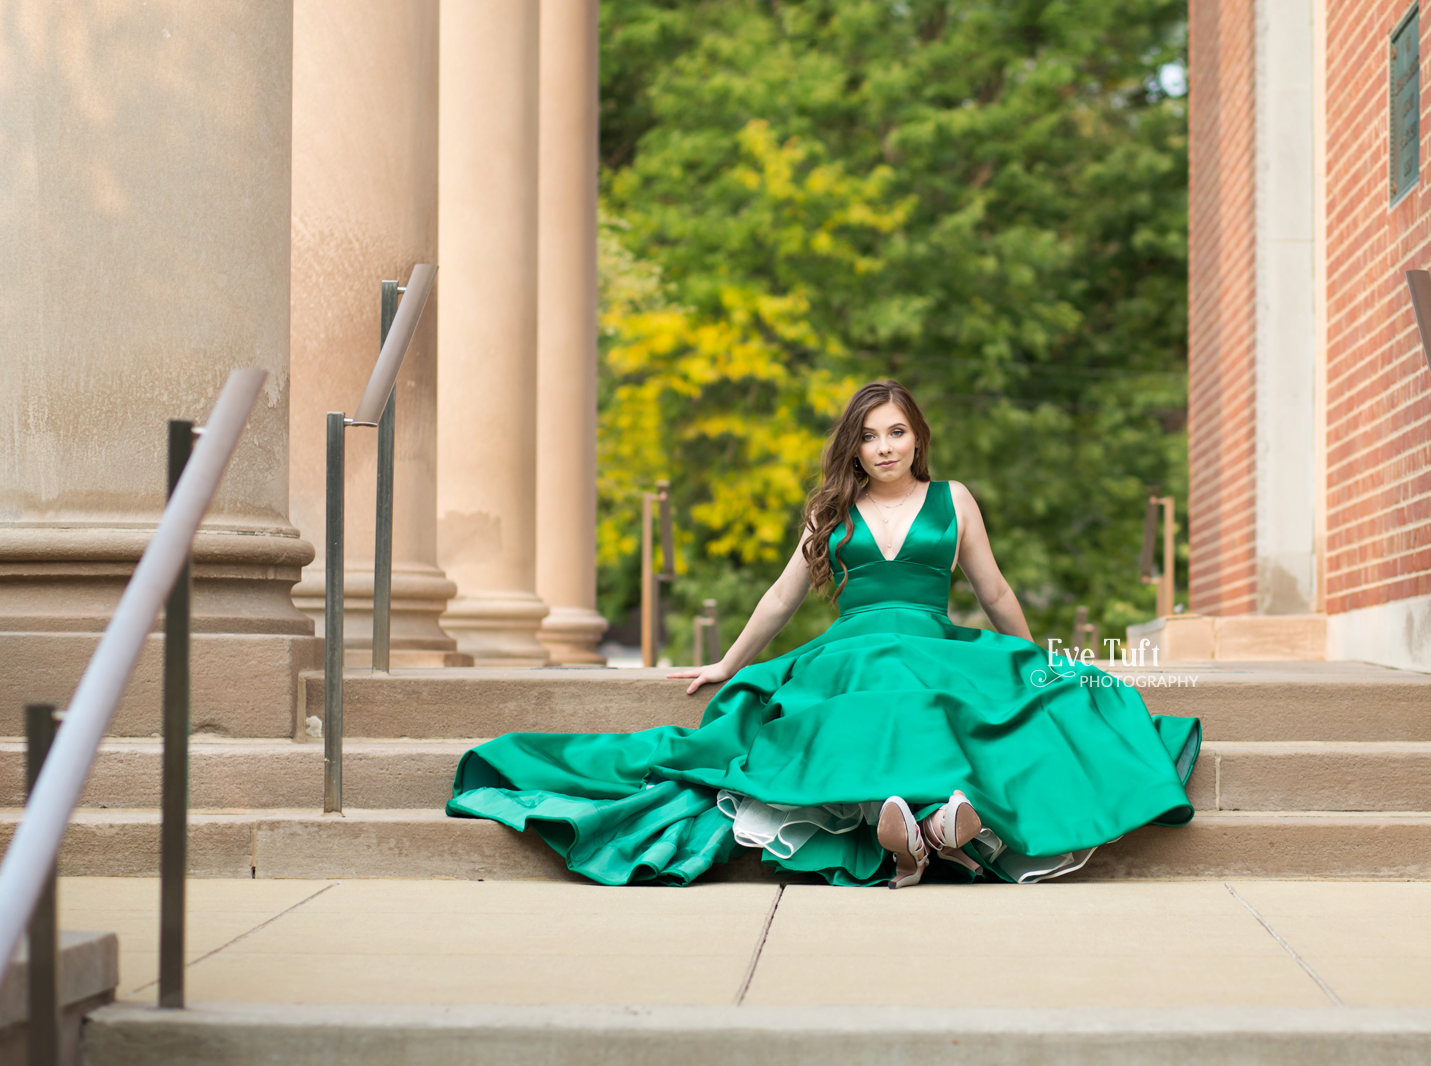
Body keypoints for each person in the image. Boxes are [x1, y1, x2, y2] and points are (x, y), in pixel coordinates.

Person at [445, 379, 1201, 886]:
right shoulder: (830, 510)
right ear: (855, 445)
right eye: (870, 436)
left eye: (897, 432)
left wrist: (1033, 660)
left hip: (934, 637)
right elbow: (781, 597)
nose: (884, 446)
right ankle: (917, 825)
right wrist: (727, 660)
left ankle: (929, 826)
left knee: (963, 694)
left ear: (917, 436)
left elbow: (994, 589)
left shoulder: (955, 498)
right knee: (879, 693)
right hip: (851, 646)